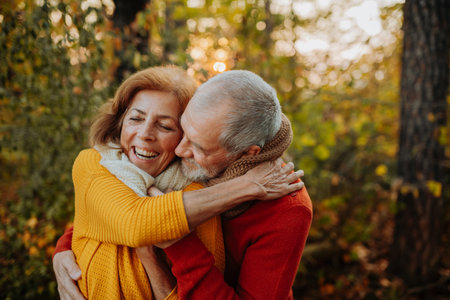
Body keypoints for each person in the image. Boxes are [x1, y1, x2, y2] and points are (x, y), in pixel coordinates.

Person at [53, 67, 305, 299]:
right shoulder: (172, 166)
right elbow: (120, 212)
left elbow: (142, 221)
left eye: (197, 146)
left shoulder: (287, 207)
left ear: (246, 153)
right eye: (184, 131)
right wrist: (64, 248)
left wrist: (174, 240)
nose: (182, 150)